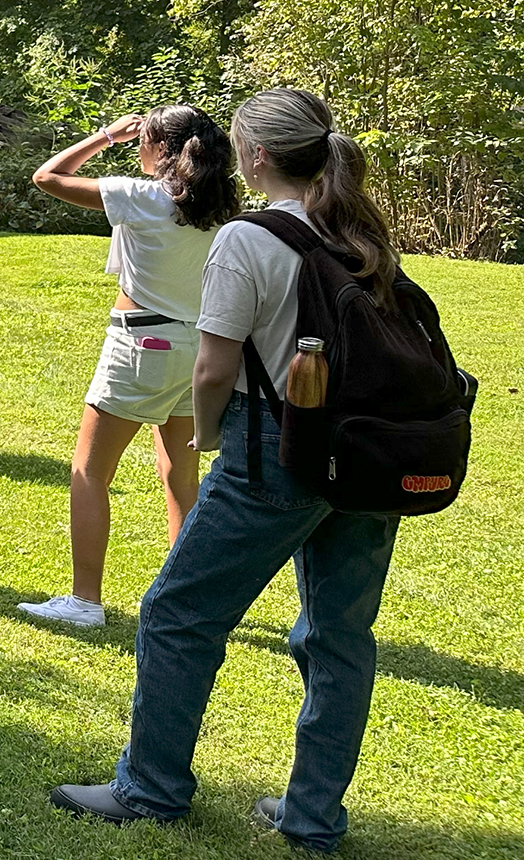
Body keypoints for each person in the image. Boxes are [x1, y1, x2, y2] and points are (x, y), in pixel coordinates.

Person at [51, 90, 414, 853]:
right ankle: (313, 817)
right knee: (340, 636)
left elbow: (214, 370)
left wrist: (208, 439)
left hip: (276, 444)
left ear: (254, 157)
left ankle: (150, 789)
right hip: (371, 449)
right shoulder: (361, 231)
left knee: (177, 613)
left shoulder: (250, 238)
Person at [16, 106, 237, 627]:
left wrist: (104, 136)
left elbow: (47, 176)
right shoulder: (219, 204)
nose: (136, 145)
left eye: (143, 139)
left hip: (141, 344)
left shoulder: (143, 197)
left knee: (89, 472)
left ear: (162, 150)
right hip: (198, 347)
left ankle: (85, 601)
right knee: (181, 475)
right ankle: (187, 599)